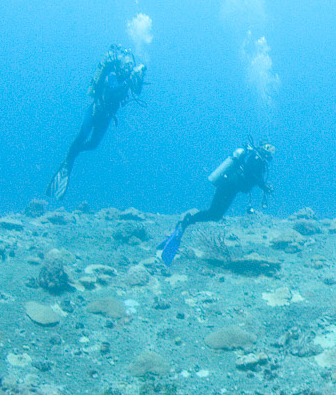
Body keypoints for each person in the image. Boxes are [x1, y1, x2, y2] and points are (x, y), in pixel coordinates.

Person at [47, 45, 145, 200]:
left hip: (106, 117)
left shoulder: (127, 78)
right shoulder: (112, 74)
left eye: (130, 66)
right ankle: (67, 163)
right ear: (120, 65)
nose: (128, 69)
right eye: (126, 66)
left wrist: (139, 77)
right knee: (81, 136)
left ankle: (72, 155)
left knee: (93, 144)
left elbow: (137, 92)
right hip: (95, 111)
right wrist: (129, 80)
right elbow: (112, 89)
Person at [157, 140, 276, 265]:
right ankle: (186, 221)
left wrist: (264, 186)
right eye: (268, 148)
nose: (271, 152)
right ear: (262, 148)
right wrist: (264, 186)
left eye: (272, 149)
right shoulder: (256, 158)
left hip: (231, 187)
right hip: (228, 186)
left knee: (215, 215)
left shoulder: (258, 160)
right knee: (214, 214)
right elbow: (252, 174)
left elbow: (253, 176)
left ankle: (187, 221)